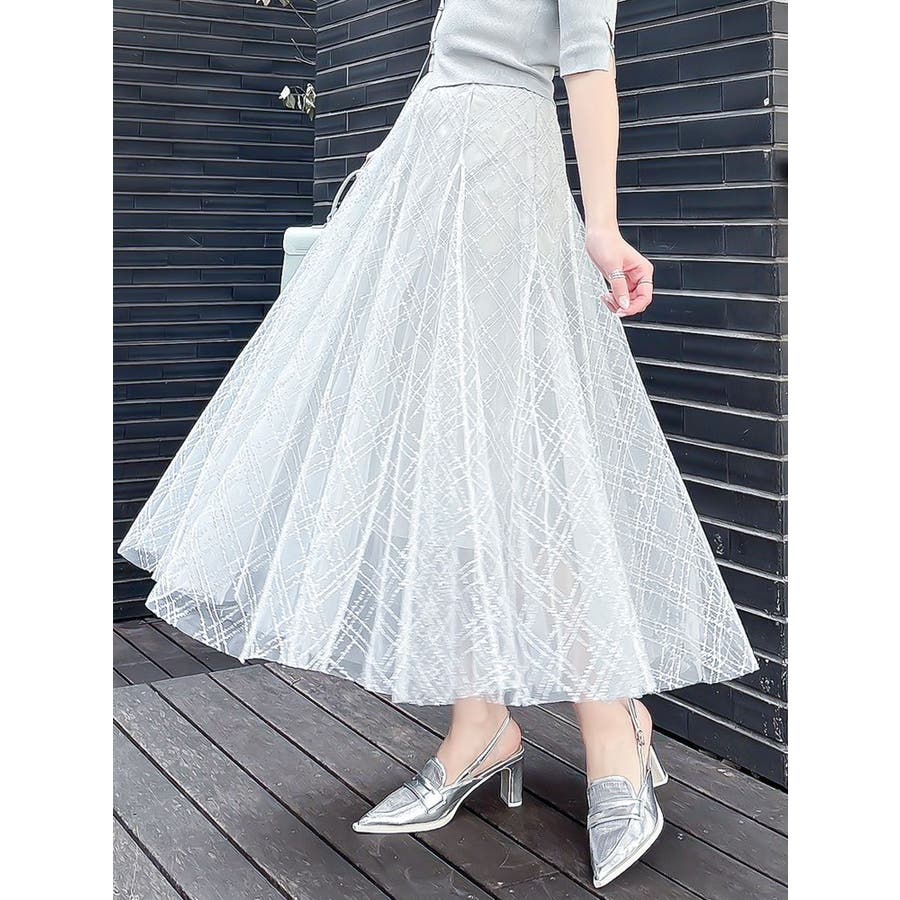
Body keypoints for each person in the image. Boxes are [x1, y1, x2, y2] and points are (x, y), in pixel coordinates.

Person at [118, 0, 758, 886]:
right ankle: (479, 725)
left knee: (529, 463)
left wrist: (602, 224)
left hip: (504, 185)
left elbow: (589, 63)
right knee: (443, 461)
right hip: (424, 189)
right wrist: (394, 173)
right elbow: (448, 65)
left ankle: (614, 725)